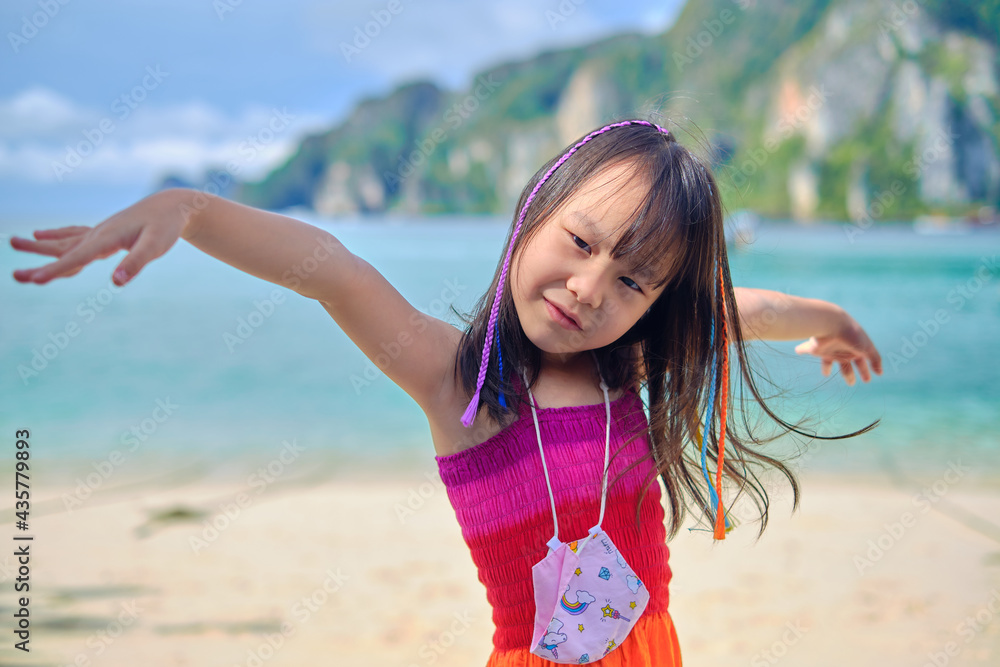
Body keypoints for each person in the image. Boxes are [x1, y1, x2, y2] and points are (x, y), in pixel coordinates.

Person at [10, 117, 882, 665]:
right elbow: (332, 272)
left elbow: (741, 310)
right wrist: (193, 209)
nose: (589, 289)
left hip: (653, 651)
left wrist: (832, 315)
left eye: (632, 281)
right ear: (534, 213)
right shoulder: (457, 384)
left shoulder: (627, 369)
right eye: (579, 242)